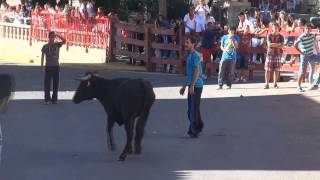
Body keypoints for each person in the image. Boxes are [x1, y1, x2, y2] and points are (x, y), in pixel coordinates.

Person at [179, 35, 204, 138]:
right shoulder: (189, 56)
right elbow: (190, 74)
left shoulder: (195, 56)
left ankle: (194, 131)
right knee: (193, 109)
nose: (186, 44)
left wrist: (192, 85)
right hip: (192, 85)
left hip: (196, 86)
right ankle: (199, 126)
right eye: (185, 42)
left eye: (187, 42)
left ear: (193, 44)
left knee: (192, 110)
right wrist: (185, 86)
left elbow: (197, 71)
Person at [41, 31, 66, 104]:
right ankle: (47, 99)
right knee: (47, 84)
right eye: (51, 37)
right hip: (48, 66)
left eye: (53, 37)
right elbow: (42, 56)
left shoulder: (57, 45)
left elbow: (64, 40)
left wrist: (58, 34)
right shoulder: (45, 46)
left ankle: (54, 99)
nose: (52, 38)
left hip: (56, 66)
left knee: (56, 83)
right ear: (49, 37)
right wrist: (42, 67)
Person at [294, 23, 320, 92]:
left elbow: (317, 36)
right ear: (304, 29)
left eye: (309, 28)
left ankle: (315, 83)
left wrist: (317, 50)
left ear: (310, 29)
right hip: (304, 56)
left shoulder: (312, 35)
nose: (308, 30)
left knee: (312, 69)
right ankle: (298, 86)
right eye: (306, 28)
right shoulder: (301, 36)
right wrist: (301, 52)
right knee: (302, 72)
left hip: (311, 55)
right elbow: (295, 45)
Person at [264, 22, 284, 89]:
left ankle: (275, 84)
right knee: (267, 69)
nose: (275, 29)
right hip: (270, 54)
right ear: (272, 28)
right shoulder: (269, 35)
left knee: (277, 70)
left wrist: (274, 45)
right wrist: (278, 44)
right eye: (274, 27)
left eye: (276, 27)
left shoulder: (281, 36)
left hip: (277, 54)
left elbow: (282, 46)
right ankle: (267, 84)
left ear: (278, 28)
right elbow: (269, 45)